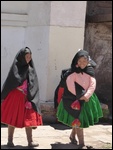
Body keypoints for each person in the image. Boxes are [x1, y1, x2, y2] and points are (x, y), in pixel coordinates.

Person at [54, 49, 103, 149]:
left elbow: (92, 85)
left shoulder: (90, 72)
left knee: (78, 119)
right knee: (79, 120)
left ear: (88, 62)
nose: (82, 63)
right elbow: (70, 85)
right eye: (79, 61)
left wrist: (87, 95)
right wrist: (80, 96)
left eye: (84, 61)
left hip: (87, 100)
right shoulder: (72, 73)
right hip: (73, 99)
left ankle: (72, 136)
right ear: (76, 61)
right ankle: (81, 144)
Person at [1, 47, 43, 147]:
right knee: (12, 118)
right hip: (15, 97)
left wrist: (30, 93)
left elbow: (34, 83)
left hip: (27, 98)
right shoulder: (15, 68)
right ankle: (10, 141)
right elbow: (11, 82)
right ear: (21, 57)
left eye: (30, 57)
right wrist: (21, 88)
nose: (28, 59)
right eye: (26, 57)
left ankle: (30, 141)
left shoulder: (30, 68)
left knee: (28, 119)